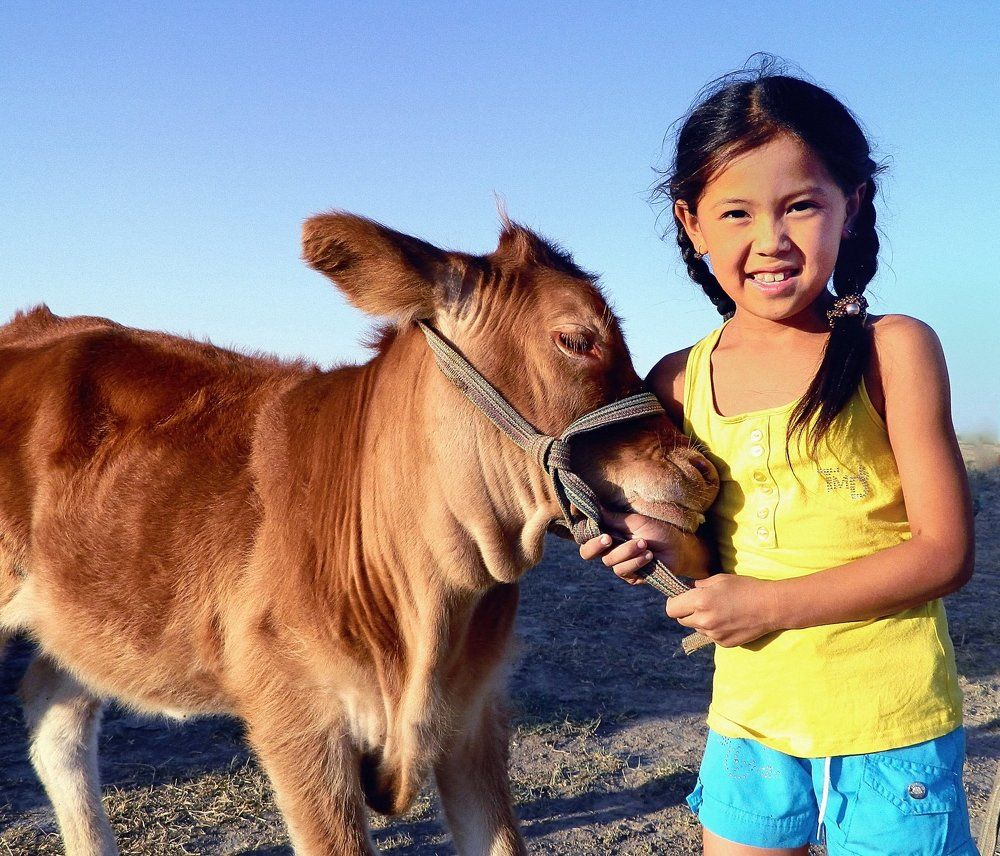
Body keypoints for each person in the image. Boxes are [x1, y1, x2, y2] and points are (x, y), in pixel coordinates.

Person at [581, 59, 977, 856]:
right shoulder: (680, 379)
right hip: (749, 722)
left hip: (888, 727)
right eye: (735, 213)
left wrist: (769, 606)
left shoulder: (892, 351)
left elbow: (945, 553)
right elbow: (708, 554)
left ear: (851, 207)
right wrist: (658, 546)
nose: (771, 241)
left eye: (801, 205)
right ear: (690, 222)